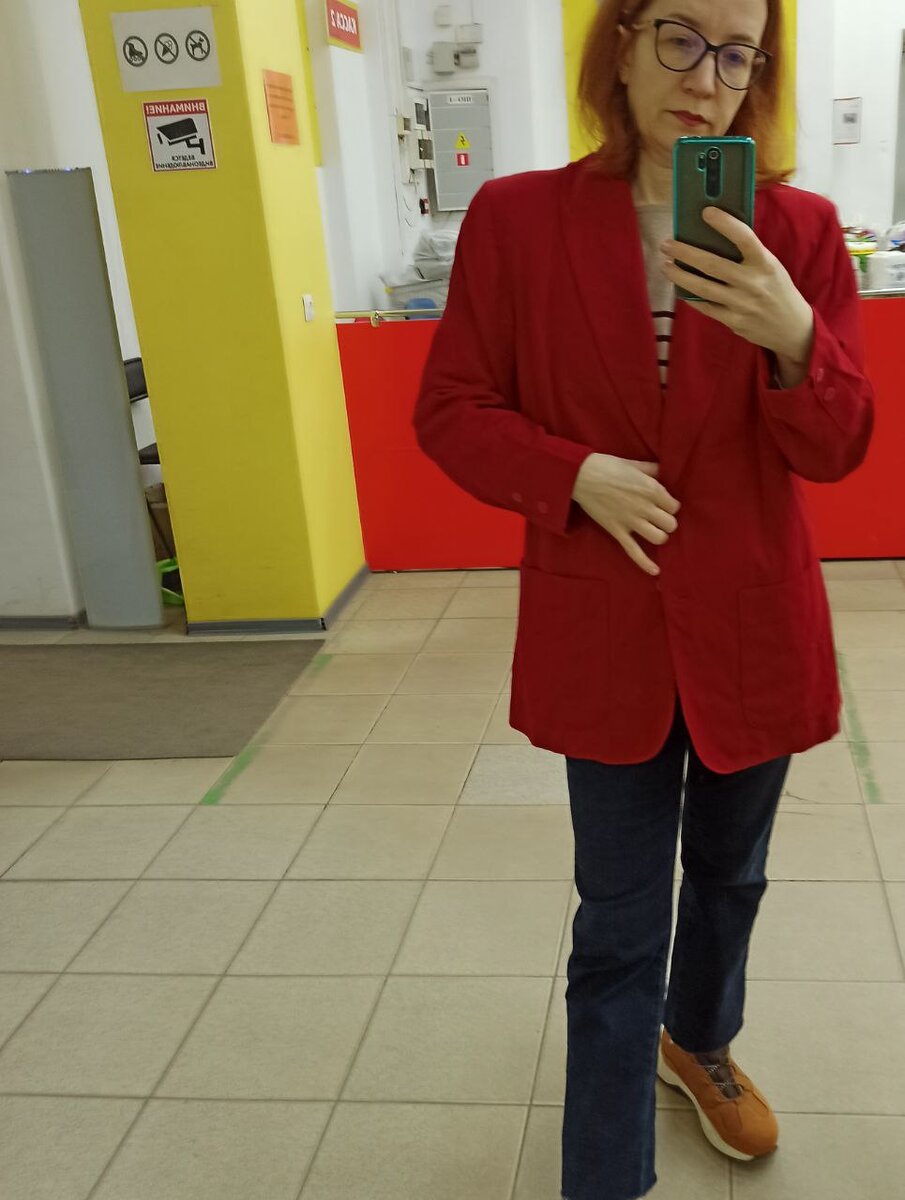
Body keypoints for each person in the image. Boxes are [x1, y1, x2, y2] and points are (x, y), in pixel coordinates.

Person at [413, 1, 874, 1198]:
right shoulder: (517, 221)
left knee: (729, 880)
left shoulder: (795, 231)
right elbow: (450, 408)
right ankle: (604, 1178)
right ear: (616, 42)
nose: (703, 75)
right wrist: (568, 472)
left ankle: (699, 1041)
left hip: (751, 625)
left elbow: (836, 448)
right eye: (677, 35)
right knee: (617, 924)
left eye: (735, 51)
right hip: (601, 625)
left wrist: (794, 339)